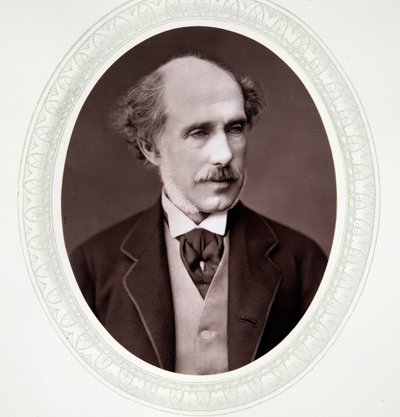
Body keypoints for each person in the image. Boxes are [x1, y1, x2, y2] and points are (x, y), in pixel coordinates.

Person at [70, 54, 327, 375]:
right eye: (199, 132)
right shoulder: (92, 267)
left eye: (235, 128)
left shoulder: (302, 262)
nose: (224, 155)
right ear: (151, 147)